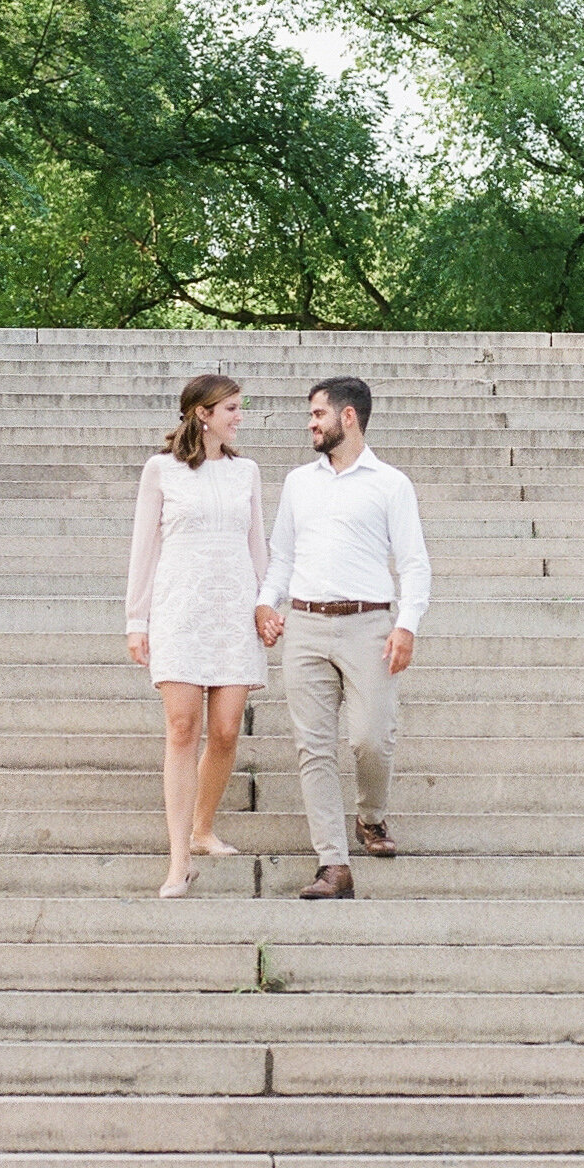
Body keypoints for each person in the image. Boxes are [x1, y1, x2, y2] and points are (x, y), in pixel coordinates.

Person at [255, 376, 431, 900]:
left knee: (370, 739)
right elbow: (281, 554)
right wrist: (267, 601)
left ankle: (371, 817)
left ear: (347, 416)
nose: (311, 424)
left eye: (318, 414)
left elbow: (415, 564)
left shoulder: (391, 484)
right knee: (314, 749)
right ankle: (333, 865)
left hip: (369, 625)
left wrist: (407, 625)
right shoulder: (297, 483)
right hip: (305, 625)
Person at [125, 373, 271, 898]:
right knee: (183, 729)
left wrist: (266, 604)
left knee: (228, 729)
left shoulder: (247, 472)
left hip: (233, 611)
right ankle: (178, 860)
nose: (239, 416)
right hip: (179, 610)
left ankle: (203, 826)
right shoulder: (160, 470)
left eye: (239, 407)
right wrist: (136, 621)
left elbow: (259, 547)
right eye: (231, 408)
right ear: (202, 413)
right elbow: (144, 549)